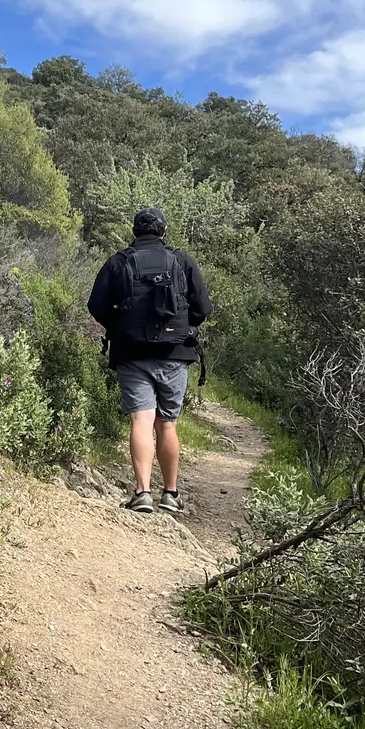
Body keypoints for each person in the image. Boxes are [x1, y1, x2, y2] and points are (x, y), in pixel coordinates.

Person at [87, 207, 212, 513]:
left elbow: (96, 305)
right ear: (163, 232)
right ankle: (170, 493)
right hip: (175, 352)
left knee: (141, 420)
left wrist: (119, 326)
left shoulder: (118, 261)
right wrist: (182, 325)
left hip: (131, 352)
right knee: (167, 425)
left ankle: (142, 493)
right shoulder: (181, 260)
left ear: (134, 231)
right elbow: (203, 308)